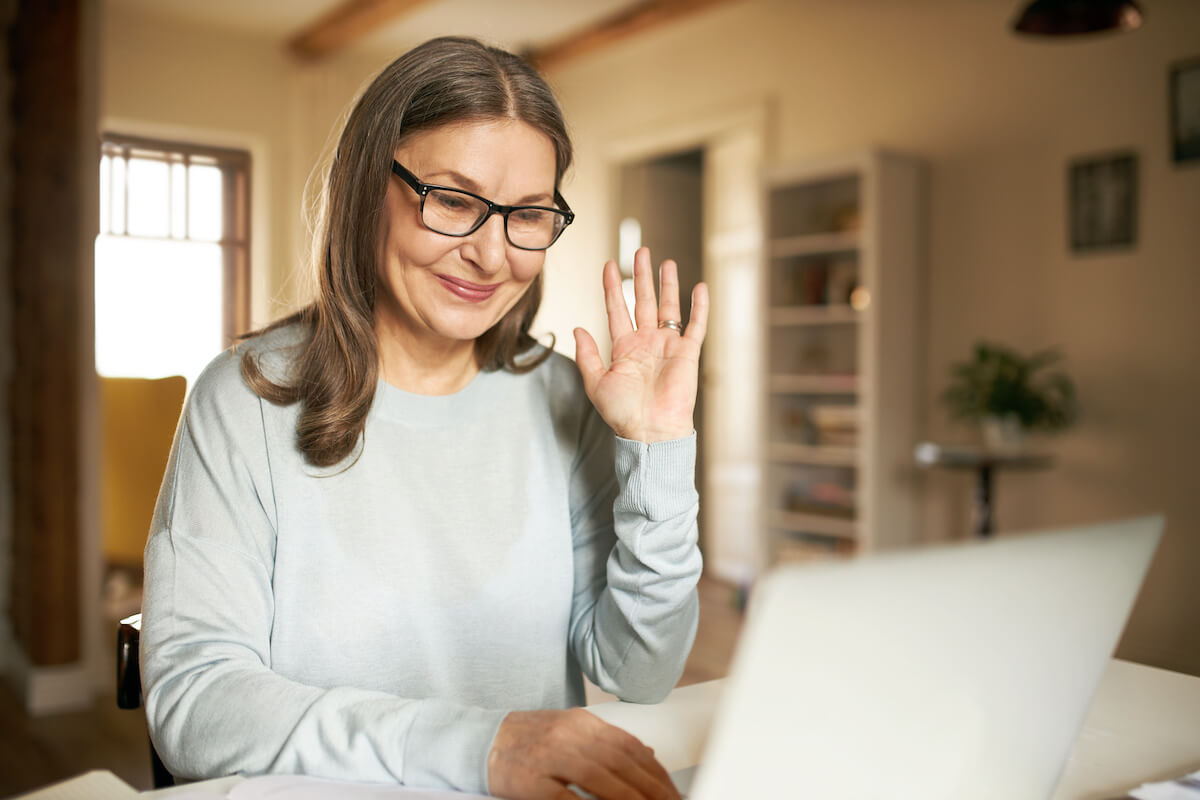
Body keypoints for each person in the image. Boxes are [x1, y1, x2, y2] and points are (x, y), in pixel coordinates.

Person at [140, 36, 708, 800]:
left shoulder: (568, 399)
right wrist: (478, 745)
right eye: (452, 200)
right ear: (366, 187)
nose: (491, 253)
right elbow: (196, 704)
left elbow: (641, 672)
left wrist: (658, 453)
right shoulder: (246, 398)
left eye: (529, 214)